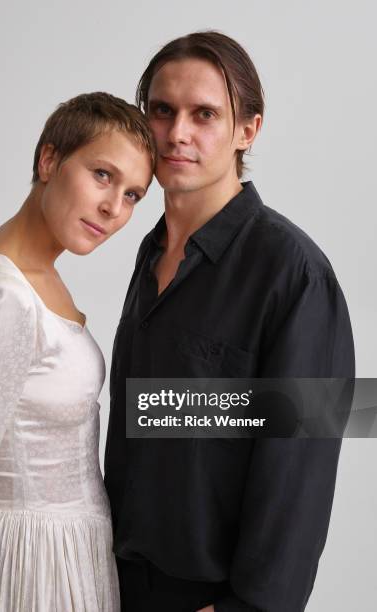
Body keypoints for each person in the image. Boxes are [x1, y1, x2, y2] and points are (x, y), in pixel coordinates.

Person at [104, 31, 355, 612]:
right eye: (162, 111)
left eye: (205, 114)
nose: (178, 133)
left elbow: (302, 468)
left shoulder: (295, 273)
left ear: (248, 130)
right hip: (117, 582)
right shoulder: (150, 254)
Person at [0, 92, 155, 611]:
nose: (114, 207)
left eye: (133, 194)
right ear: (49, 160)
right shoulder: (0, 296)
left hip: (76, 553)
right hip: (24, 566)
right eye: (102, 175)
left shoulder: (44, 279)